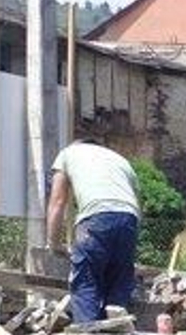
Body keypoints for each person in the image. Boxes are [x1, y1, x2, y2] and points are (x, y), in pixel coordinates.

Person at [46, 130, 140, 323]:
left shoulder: (68, 153)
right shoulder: (121, 161)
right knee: (118, 283)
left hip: (95, 218)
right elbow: (137, 204)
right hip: (129, 219)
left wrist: (54, 243)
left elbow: (58, 202)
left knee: (85, 281)